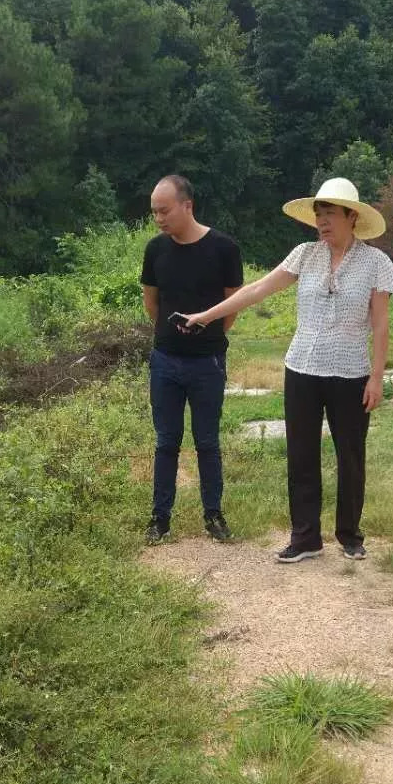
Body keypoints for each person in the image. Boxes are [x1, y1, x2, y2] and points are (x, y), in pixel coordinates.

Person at [179, 178, 393, 562]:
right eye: (318, 214)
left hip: (351, 371)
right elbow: (258, 289)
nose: (322, 222)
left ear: (352, 217)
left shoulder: (375, 263)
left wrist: (377, 377)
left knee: (350, 454)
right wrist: (207, 316)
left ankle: (350, 534)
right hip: (302, 367)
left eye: (330, 214)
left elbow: (381, 325)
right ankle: (305, 537)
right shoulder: (305, 254)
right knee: (301, 453)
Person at [141, 175, 243, 545]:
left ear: (187, 205)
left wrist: (209, 335)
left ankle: (213, 515)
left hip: (208, 363)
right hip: (165, 360)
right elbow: (152, 303)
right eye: (154, 212)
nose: (159, 219)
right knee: (166, 441)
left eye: (164, 211)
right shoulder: (155, 250)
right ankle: (159, 518)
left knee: (207, 442)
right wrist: (170, 336)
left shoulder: (224, 249)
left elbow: (232, 306)